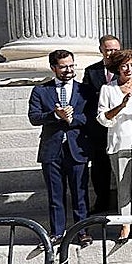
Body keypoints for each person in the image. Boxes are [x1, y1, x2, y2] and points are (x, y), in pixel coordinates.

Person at [28, 49, 90, 240]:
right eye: (63, 67)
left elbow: (91, 117)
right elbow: (34, 117)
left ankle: (82, 231)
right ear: (53, 68)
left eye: (71, 65)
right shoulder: (40, 90)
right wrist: (55, 115)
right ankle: (57, 233)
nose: (69, 70)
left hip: (76, 149)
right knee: (56, 195)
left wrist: (72, 119)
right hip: (52, 150)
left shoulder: (85, 90)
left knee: (80, 194)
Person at [96, 49, 132, 238]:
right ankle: (125, 224)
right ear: (117, 68)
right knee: (123, 187)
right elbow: (102, 119)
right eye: (124, 66)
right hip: (118, 142)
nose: (128, 69)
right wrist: (121, 106)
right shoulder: (108, 89)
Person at [81, 34, 121, 213]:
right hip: (100, 127)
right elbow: (87, 99)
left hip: (123, 126)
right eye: (108, 49)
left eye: (115, 49)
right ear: (101, 50)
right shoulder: (91, 71)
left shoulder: (128, 69)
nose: (111, 53)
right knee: (100, 167)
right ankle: (102, 201)